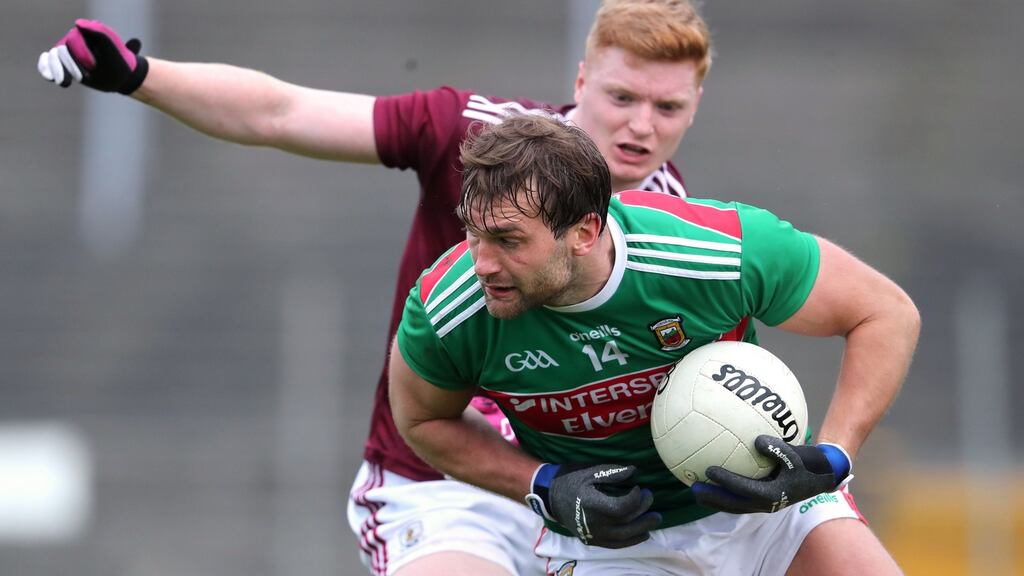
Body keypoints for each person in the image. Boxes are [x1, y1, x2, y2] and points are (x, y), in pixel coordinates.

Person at [37, 2, 711, 574]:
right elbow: (281, 112)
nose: (642, 125)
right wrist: (139, 76)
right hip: (445, 490)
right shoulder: (477, 136)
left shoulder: (686, 228)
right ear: (582, 79)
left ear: (695, 108)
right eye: (622, 97)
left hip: (589, 503)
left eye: (668, 106)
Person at [389, 113, 920, 574]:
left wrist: (833, 457)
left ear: (584, 233)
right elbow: (422, 420)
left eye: (508, 240)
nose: (482, 263)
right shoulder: (449, 310)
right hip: (613, 546)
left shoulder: (719, 251)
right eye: (473, 233)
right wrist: (542, 483)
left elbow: (885, 313)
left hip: (775, 517)